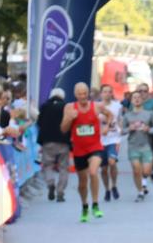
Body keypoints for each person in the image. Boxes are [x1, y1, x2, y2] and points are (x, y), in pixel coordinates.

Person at [60, 82, 112, 222]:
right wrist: (69, 118)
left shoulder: (97, 106)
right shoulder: (69, 107)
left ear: (88, 93)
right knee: (82, 183)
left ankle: (95, 204)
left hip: (95, 146)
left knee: (94, 172)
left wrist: (107, 126)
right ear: (75, 94)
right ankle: (84, 206)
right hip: (79, 150)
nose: (82, 96)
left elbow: (110, 115)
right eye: (79, 94)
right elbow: (63, 129)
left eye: (85, 93)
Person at [122, 91, 153, 202]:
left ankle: (144, 181)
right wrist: (129, 129)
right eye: (134, 97)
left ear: (142, 100)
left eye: (139, 97)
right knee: (136, 170)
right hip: (133, 146)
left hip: (146, 146)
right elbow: (122, 131)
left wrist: (149, 129)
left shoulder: (149, 113)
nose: (137, 99)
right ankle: (140, 191)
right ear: (132, 100)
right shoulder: (127, 115)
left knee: (146, 171)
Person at [37, 88, 71, 202]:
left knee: (48, 165)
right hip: (63, 141)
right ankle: (60, 191)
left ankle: (50, 183)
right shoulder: (66, 107)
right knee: (63, 167)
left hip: (48, 141)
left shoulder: (44, 107)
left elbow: (39, 123)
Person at [99, 84, 122, 202]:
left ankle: (114, 185)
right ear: (101, 93)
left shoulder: (117, 106)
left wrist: (121, 130)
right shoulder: (97, 107)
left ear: (112, 93)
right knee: (103, 169)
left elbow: (120, 120)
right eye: (105, 92)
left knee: (112, 162)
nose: (107, 94)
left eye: (109, 92)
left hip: (114, 139)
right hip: (100, 141)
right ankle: (107, 190)